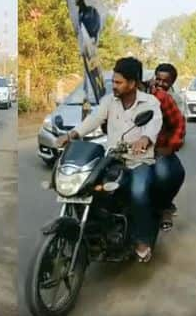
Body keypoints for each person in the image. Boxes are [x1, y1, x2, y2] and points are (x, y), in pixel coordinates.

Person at [57, 57, 163, 262]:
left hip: (138, 161)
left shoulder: (150, 102)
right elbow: (94, 119)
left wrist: (144, 139)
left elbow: (154, 124)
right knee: (88, 186)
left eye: (118, 82)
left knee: (138, 192)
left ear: (132, 83)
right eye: (113, 81)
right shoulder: (109, 101)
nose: (113, 86)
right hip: (112, 159)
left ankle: (142, 240)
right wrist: (72, 135)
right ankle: (94, 229)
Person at [148, 63, 186, 232]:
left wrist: (171, 147)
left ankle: (165, 207)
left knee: (171, 173)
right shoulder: (144, 92)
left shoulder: (173, 100)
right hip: (132, 146)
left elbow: (179, 125)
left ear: (172, 83)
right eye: (158, 79)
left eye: (166, 81)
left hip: (160, 147)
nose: (161, 83)